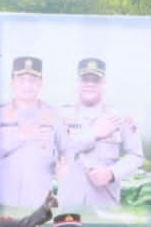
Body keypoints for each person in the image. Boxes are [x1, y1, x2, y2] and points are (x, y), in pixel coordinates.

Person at [0, 56, 68, 211]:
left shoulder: (54, 115)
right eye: (21, 79)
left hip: (39, 203)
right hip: (3, 203)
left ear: (40, 83)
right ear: (12, 82)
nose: (27, 85)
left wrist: (63, 167)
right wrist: (19, 136)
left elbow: (66, 151)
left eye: (33, 80)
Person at [58, 58, 145, 210]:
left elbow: (136, 155)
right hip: (69, 204)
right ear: (77, 83)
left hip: (104, 206)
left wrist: (112, 173)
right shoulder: (60, 115)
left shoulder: (120, 117)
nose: (90, 84)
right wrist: (93, 134)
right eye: (85, 79)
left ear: (104, 84)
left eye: (96, 80)